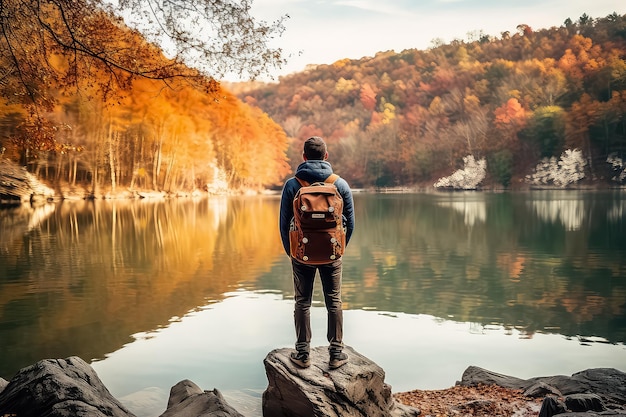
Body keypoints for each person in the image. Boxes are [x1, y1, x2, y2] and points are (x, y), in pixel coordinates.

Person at [279, 136, 355, 369]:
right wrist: (338, 249)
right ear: (326, 156)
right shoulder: (339, 184)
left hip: (301, 253)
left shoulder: (293, 185)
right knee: (334, 301)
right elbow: (350, 224)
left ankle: (302, 355)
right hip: (333, 253)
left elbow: (284, 224)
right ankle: (336, 354)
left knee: (302, 302)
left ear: (303, 156)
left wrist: (292, 252)